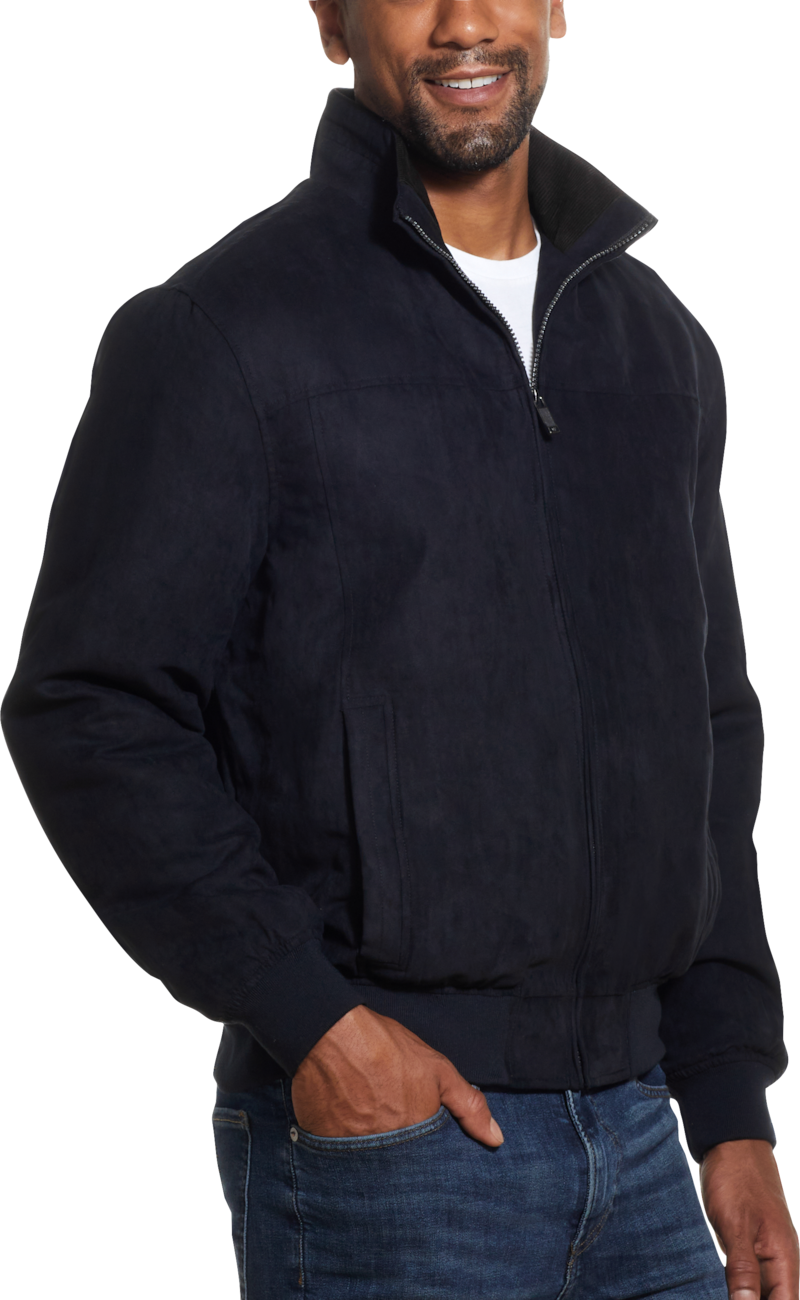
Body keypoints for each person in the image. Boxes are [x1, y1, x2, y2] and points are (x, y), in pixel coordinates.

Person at [1, 0, 797, 1295]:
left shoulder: (659, 344)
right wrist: (314, 1021)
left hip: (649, 1139)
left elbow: (708, 723)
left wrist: (729, 1099)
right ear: (332, 20)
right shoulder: (222, 330)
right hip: (392, 1150)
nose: (463, 22)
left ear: (557, 7)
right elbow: (92, 706)